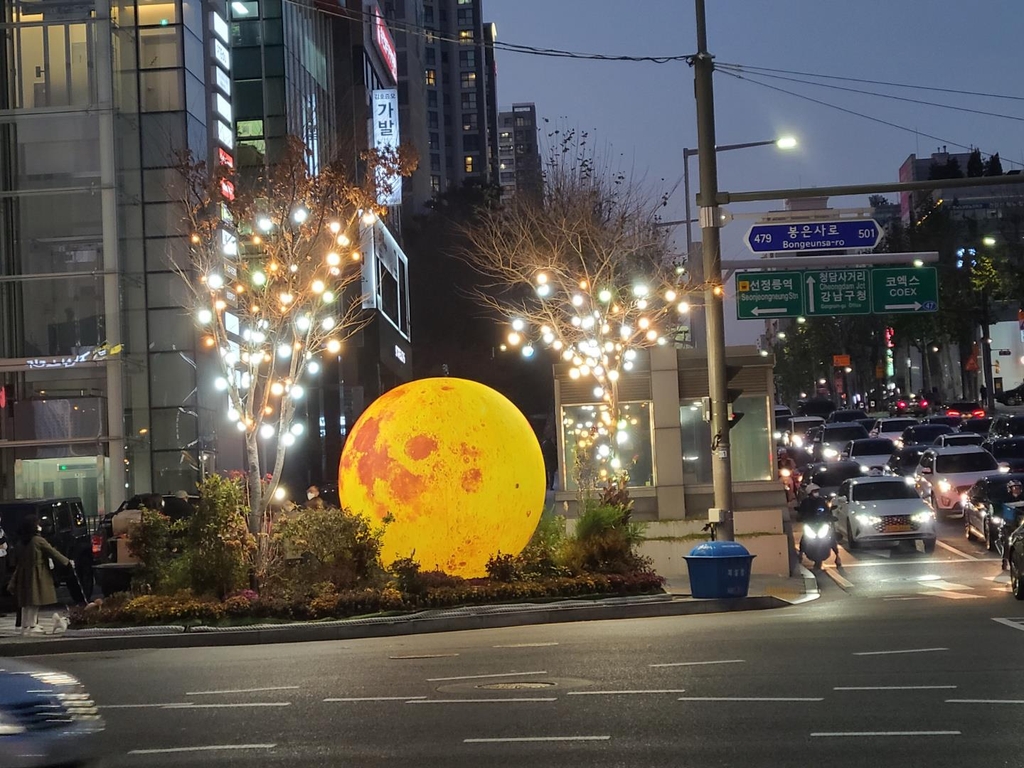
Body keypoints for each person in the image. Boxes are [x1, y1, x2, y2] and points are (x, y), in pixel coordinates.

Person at [8, 514, 70, 635]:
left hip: (23, 573)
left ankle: (25, 625)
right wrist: (67, 561)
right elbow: (53, 552)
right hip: (38, 572)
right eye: (37, 524)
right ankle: (32, 625)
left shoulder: (21, 542)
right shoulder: (38, 540)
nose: (40, 526)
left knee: (25, 601)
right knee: (35, 600)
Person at [797, 484, 841, 567]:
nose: (816, 493)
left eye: (817, 491)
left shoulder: (821, 501)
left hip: (822, 524)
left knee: (831, 538)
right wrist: (800, 517)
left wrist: (830, 517)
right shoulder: (805, 502)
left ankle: (837, 556)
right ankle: (800, 554)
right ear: (810, 493)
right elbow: (801, 513)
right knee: (804, 539)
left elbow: (827, 511)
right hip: (810, 524)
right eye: (814, 491)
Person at [999, 479, 1024, 570]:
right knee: (1008, 541)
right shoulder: (1006, 499)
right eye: (1015, 488)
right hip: (1010, 524)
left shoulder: (1022, 498)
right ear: (1010, 489)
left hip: (1020, 524)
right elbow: (1004, 510)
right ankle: (1005, 560)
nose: (1017, 490)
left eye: (1018, 488)